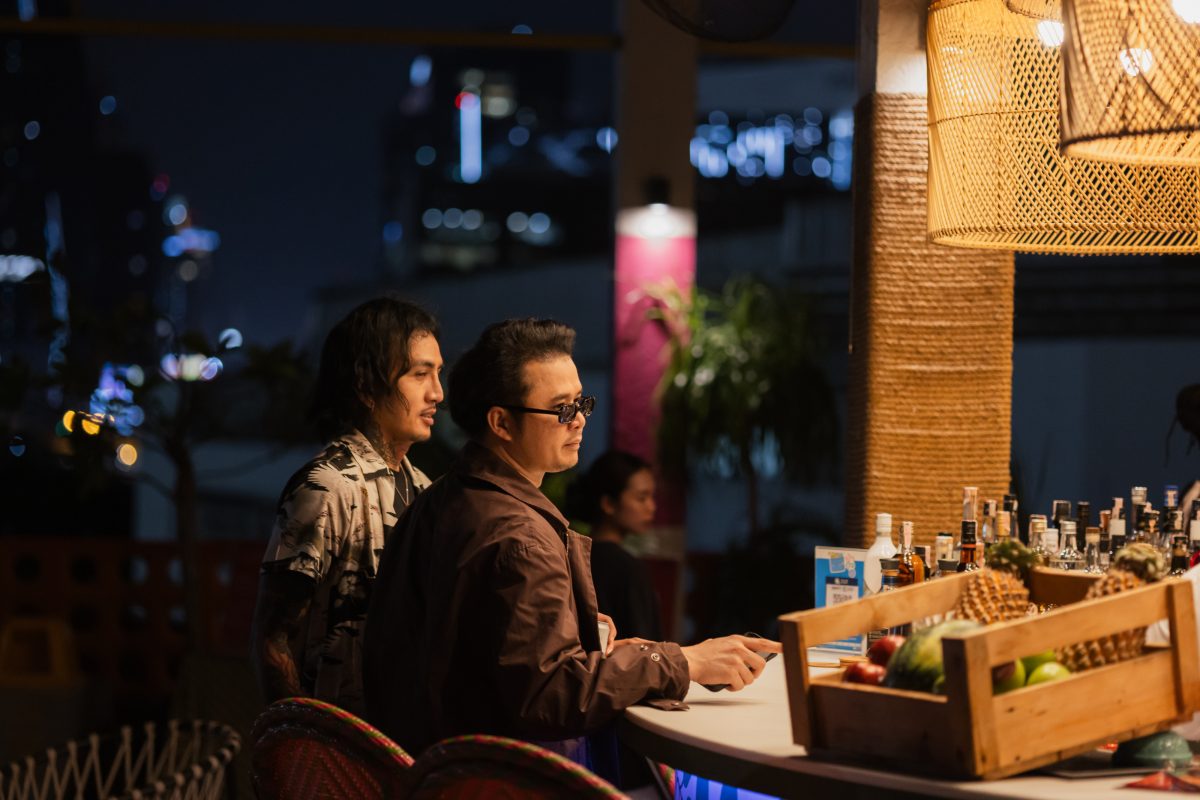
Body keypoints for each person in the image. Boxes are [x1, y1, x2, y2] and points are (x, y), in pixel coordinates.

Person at [363, 318, 778, 760]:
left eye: (582, 403)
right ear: (501, 422)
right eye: (561, 409)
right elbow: (551, 695)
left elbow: (481, 655)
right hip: (502, 778)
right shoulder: (520, 535)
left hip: (431, 768)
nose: (579, 420)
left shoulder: (441, 498)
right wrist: (684, 662)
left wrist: (595, 644)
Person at [250, 296, 443, 716]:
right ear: (366, 384)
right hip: (335, 739)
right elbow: (272, 638)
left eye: (437, 374)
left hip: (404, 735)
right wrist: (301, 742)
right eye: (419, 374)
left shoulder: (424, 489)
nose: (437, 393)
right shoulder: (327, 486)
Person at [569, 450, 663, 641]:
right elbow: (645, 647)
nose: (651, 507)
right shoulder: (628, 568)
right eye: (642, 498)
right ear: (609, 504)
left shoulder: (572, 553)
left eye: (651, 497)